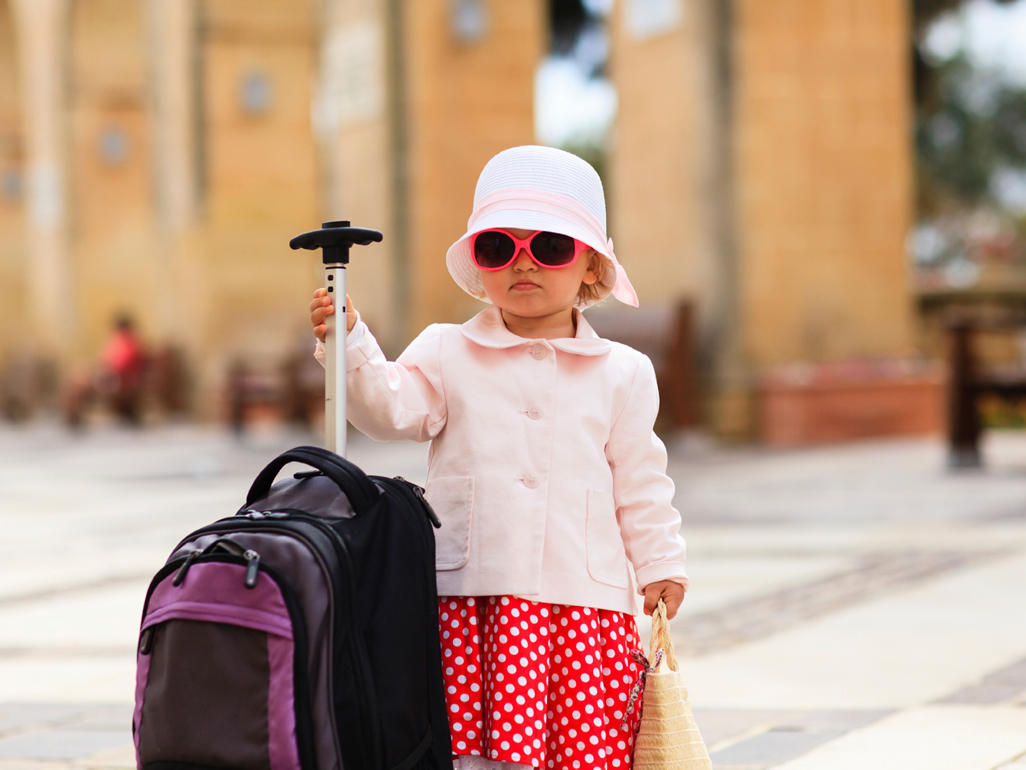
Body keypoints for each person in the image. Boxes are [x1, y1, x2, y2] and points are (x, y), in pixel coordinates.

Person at [309, 145, 688, 770]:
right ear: (479, 263)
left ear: (590, 265)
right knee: (471, 749)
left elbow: (641, 479)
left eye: (550, 247)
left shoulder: (622, 373)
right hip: (473, 596)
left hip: (581, 604)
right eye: (498, 249)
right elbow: (389, 410)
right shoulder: (447, 350)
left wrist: (661, 560)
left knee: (583, 751)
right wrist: (351, 341)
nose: (523, 264)